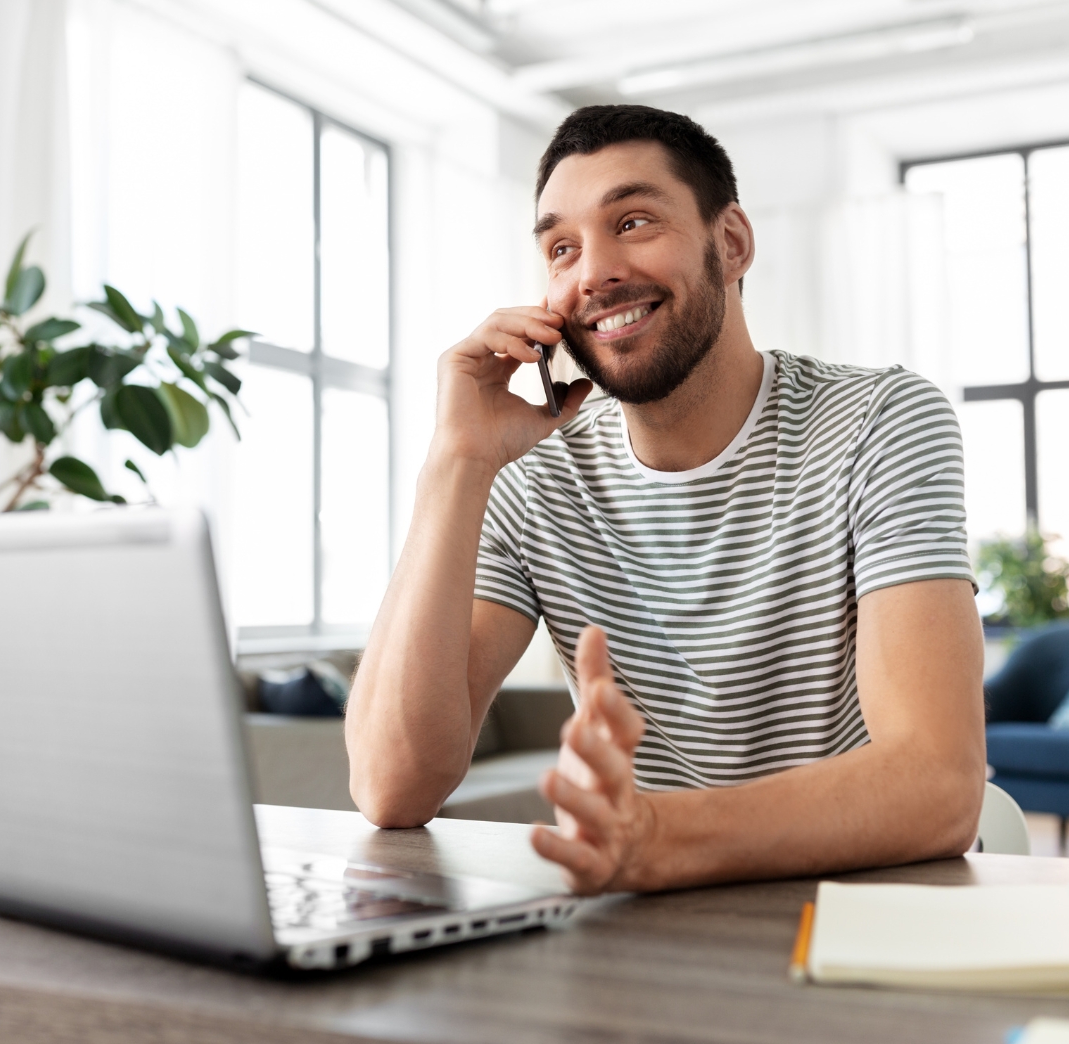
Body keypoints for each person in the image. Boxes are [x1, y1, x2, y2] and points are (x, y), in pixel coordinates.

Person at [346, 105, 986, 895]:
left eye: (635, 220)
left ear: (732, 243)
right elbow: (390, 786)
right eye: (562, 248)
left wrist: (653, 839)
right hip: (656, 922)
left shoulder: (879, 423)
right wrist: (455, 462)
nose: (593, 272)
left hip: (865, 908)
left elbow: (937, 785)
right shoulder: (533, 478)